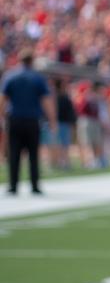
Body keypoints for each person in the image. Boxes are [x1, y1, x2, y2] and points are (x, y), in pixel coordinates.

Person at [2, 50, 54, 195]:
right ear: (32, 61)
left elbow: (3, 99)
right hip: (32, 120)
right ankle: (34, 185)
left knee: (14, 154)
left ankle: (13, 185)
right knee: (33, 154)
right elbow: (46, 101)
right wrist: (52, 120)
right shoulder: (37, 78)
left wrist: (1, 117)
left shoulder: (10, 76)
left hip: (14, 120)